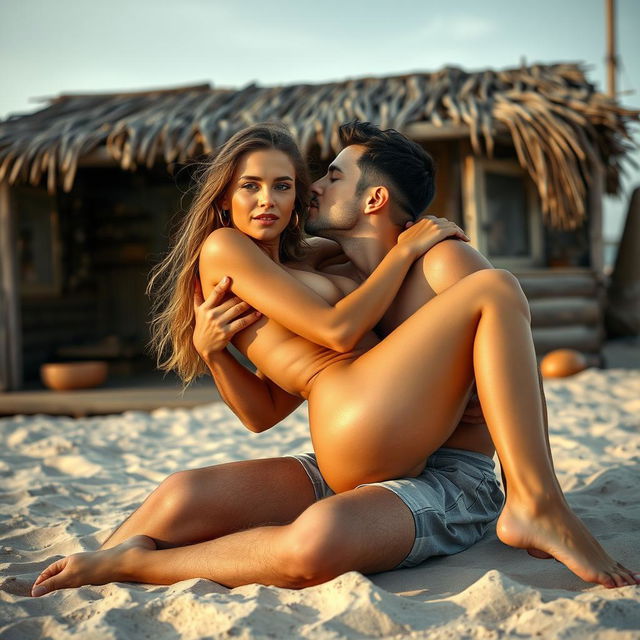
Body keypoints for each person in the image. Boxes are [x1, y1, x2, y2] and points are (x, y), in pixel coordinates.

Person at [31, 123, 638, 597]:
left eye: (311, 180)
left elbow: (511, 363)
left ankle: (536, 501)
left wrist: (410, 251)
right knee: (181, 493)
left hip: (446, 472)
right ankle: (92, 569)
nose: (306, 190)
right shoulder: (291, 267)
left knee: (496, 288)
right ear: (223, 193)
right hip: (349, 444)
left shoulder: (423, 263)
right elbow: (285, 391)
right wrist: (216, 355)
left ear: (371, 197)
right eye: (253, 184)